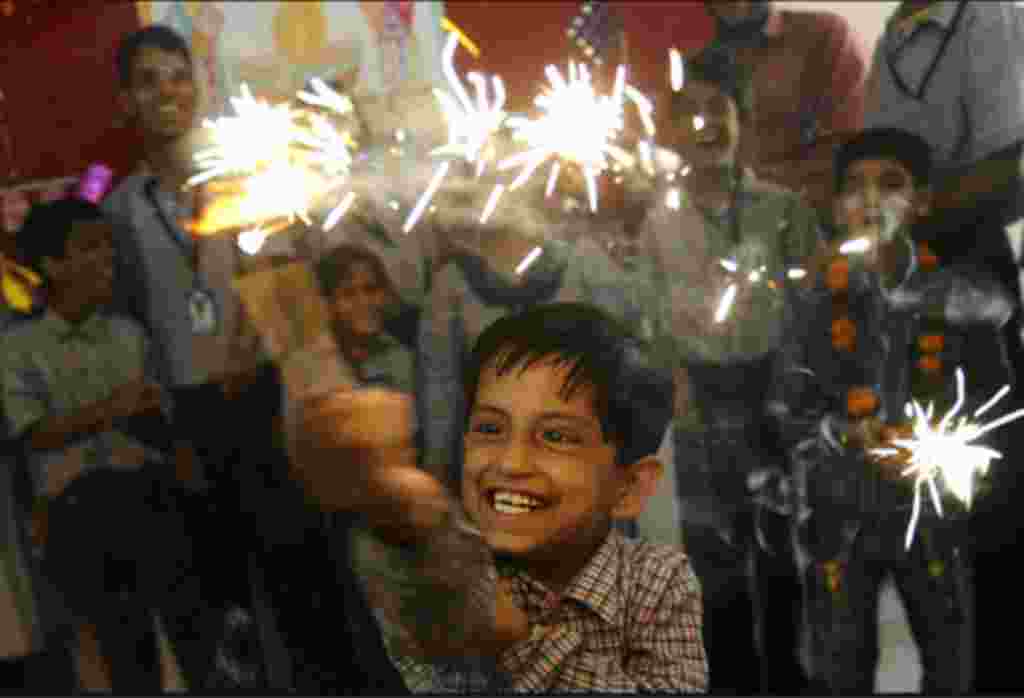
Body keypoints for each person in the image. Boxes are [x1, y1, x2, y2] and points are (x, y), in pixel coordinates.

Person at [294, 302, 708, 692]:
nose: (510, 464)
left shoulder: (658, 583)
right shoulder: (462, 561)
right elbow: (422, 585)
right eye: (490, 429)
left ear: (630, 487)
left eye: (556, 436)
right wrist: (393, 498)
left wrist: (516, 637)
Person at [773, 127, 1013, 694]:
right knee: (840, 664)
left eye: (892, 185)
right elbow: (786, 401)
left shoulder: (954, 294)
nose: (872, 201)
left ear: (922, 201)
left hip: (933, 511)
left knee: (950, 662)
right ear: (835, 207)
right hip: (839, 507)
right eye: (854, 188)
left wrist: (945, 447)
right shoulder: (810, 299)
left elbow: (993, 400)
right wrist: (839, 431)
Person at [639, 40, 819, 694]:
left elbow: (811, 304)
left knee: (782, 547)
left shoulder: (783, 209)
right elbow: (650, 315)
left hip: (773, 389)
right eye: (690, 114)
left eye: (720, 109)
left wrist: (793, 389)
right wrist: (676, 389)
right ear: (669, 134)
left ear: (742, 120)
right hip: (698, 397)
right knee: (714, 553)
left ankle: (792, 675)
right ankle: (734, 679)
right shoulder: (658, 220)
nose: (707, 125)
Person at [0, 198, 226, 691]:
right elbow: (31, 435)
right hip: (77, 514)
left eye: (108, 245)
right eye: (89, 248)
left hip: (150, 495)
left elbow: (156, 419)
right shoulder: (17, 348)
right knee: (122, 648)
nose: (107, 258)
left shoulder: (129, 334)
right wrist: (113, 409)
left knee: (192, 637)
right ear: (51, 265)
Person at [863, 4, 1024, 689]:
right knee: (925, 506)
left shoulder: (985, 16)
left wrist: (915, 215)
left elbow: (1010, 169)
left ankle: (997, 674)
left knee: (986, 495)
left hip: (970, 271)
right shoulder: (892, 35)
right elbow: (874, 166)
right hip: (898, 273)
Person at [703, 0, 869, 215]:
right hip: (699, 228)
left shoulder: (825, 36)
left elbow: (849, 156)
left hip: (800, 225)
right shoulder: (675, 49)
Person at [317, 243, 415, 392]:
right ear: (328, 304)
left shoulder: (401, 357)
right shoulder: (316, 364)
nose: (363, 302)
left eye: (371, 289)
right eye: (348, 293)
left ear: (385, 294)